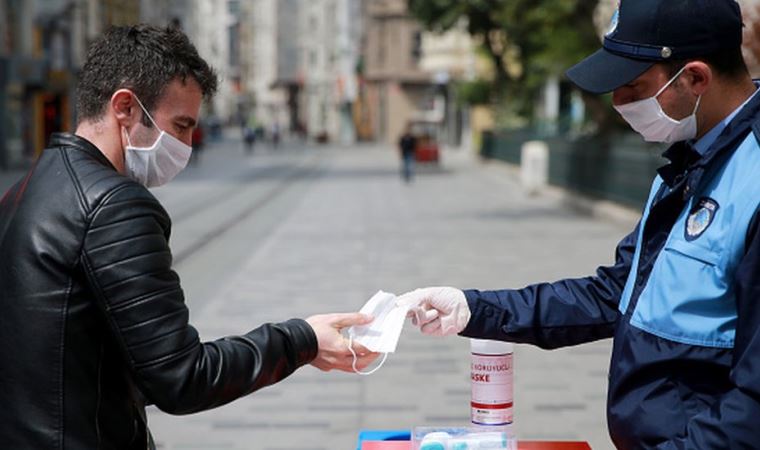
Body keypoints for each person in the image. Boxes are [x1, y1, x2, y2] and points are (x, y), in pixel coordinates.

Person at [398, 1, 760, 448]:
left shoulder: (751, 176)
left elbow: (751, 408)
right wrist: (474, 309)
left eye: (633, 86)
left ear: (695, 78)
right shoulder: (691, 162)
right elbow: (615, 294)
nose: (618, 102)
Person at [0, 24, 377, 448]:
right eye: (180, 126)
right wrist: (301, 339)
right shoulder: (115, 205)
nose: (186, 145)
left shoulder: (26, 188)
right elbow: (182, 378)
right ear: (124, 106)